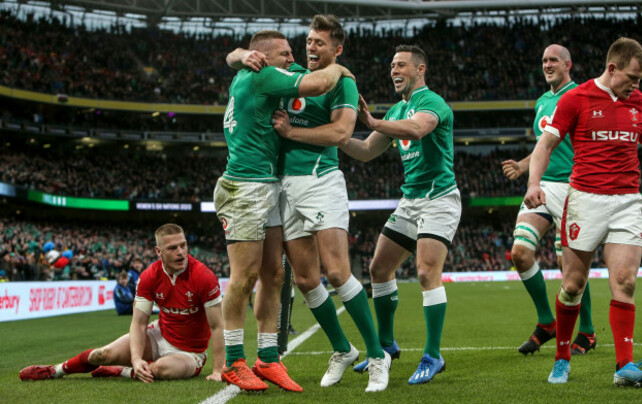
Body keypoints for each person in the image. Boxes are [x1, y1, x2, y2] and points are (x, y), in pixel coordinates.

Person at [217, 30, 354, 392]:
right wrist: (340, 68)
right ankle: (233, 361)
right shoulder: (264, 75)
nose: (292, 59)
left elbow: (235, 57)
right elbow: (317, 82)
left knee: (275, 276)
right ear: (263, 57)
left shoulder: (249, 69)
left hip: (269, 186)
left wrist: (237, 53)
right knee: (243, 277)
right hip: (245, 187)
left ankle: (268, 359)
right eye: (285, 54)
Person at [267, 14, 390, 393]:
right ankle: (342, 349)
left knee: (337, 272)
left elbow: (342, 132)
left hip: (322, 181)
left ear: (337, 49)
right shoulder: (296, 78)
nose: (311, 47)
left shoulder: (344, 83)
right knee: (305, 279)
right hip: (285, 187)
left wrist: (291, 132)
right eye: (309, 40)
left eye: (320, 42)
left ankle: (376, 355)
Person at [524, 37, 642, 386]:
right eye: (633, 78)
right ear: (612, 69)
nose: (636, 87)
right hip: (584, 200)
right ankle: (562, 356)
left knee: (624, 281)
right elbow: (544, 145)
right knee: (573, 284)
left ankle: (624, 367)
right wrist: (534, 183)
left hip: (627, 201)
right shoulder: (576, 99)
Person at [340, 45, 461, 385]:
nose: (394, 70)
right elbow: (365, 151)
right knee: (379, 268)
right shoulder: (397, 109)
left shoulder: (432, 102)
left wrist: (375, 121)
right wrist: (335, 137)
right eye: (392, 65)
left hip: (439, 198)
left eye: (401, 65)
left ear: (420, 69)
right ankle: (386, 347)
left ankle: (433, 355)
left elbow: (418, 130)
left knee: (425, 272)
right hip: (411, 201)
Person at [19, 224, 225, 383]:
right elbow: (139, 323)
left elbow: (217, 326)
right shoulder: (149, 276)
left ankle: (121, 371)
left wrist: (217, 371)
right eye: (172, 248)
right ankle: (55, 370)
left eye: (183, 245)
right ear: (158, 251)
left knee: (159, 370)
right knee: (103, 354)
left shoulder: (203, 277)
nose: (181, 252)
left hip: (189, 352)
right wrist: (136, 358)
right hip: (159, 335)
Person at [501, 44, 596, 356]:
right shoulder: (543, 101)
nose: (547, 64)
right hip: (543, 186)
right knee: (520, 253)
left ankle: (588, 331)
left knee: (569, 265)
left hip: (573, 187)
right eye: (543, 60)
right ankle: (546, 323)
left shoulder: (582, 95)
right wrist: (525, 165)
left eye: (553, 59)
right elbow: (546, 145)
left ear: (568, 64)